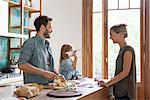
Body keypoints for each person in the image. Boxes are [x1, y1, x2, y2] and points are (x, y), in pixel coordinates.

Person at [98, 24, 136, 100]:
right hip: (120, 92)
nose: (110, 37)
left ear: (121, 34)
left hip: (125, 93)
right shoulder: (122, 50)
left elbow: (125, 72)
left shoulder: (128, 50)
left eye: (112, 35)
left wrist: (108, 83)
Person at [18, 15, 58, 85]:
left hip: (48, 86)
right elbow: (22, 65)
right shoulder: (30, 43)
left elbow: (49, 67)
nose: (51, 30)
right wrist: (44, 73)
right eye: (49, 27)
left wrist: (58, 75)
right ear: (42, 27)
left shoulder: (47, 45)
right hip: (34, 89)